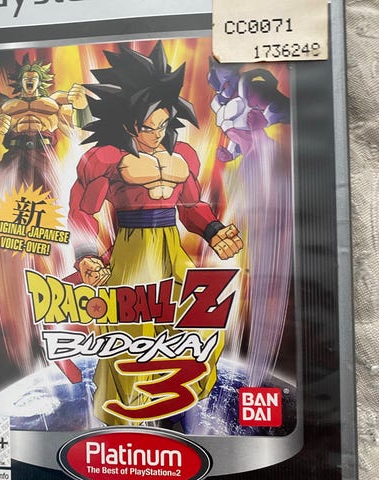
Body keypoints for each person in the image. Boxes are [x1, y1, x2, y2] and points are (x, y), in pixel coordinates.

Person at [68, 41, 243, 425]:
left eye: (163, 124)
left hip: (172, 250)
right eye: (148, 127)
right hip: (132, 253)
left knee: (203, 321)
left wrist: (214, 230)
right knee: (130, 339)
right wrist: (86, 256)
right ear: (127, 123)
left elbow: (191, 206)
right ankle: (126, 420)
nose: (156, 134)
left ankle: (177, 402)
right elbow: (82, 210)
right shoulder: (106, 159)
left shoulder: (183, 157)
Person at [0, 54, 91, 189]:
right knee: (0, 193)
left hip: (44, 157)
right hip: (13, 155)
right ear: (20, 81)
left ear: (40, 81)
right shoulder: (5, 106)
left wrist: (82, 109)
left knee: (48, 196)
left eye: (34, 78)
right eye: (26, 78)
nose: (30, 80)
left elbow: (83, 134)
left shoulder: (55, 105)